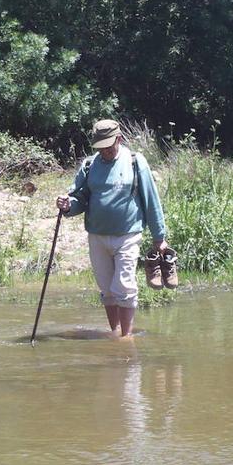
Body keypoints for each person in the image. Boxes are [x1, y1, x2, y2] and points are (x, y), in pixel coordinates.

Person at [56, 119, 171, 338]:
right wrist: (68, 205)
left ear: (119, 139)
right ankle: (114, 332)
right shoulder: (89, 165)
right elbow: (79, 198)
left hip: (128, 235)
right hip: (97, 236)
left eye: (109, 145)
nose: (105, 150)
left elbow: (151, 200)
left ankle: (125, 340)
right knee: (107, 289)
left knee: (124, 285)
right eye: (100, 146)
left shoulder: (136, 162)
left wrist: (159, 237)